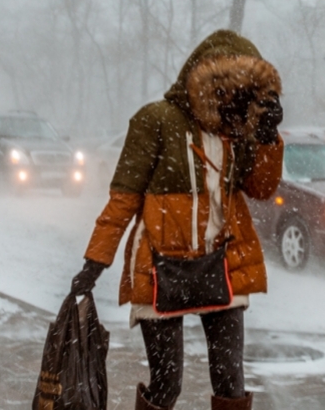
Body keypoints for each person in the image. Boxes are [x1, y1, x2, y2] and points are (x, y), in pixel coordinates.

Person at [71, 30, 284, 410]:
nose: (238, 102)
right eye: (233, 91)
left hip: (223, 266)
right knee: (168, 384)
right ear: (209, 85)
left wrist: (268, 138)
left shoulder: (239, 132)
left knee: (230, 382)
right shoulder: (157, 120)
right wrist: (95, 261)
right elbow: (123, 201)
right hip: (161, 270)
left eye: (248, 93)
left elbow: (262, 188)